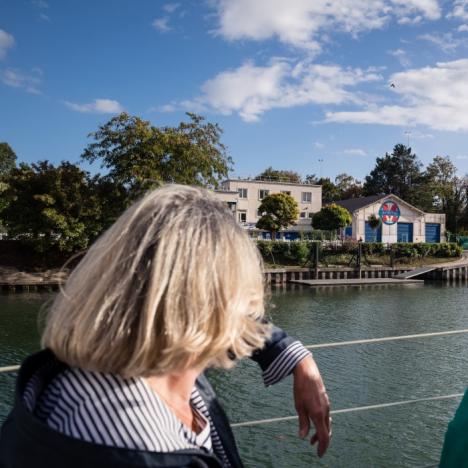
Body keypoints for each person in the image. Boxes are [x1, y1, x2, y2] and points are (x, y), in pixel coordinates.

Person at [0, 185, 330, 467]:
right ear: (206, 308)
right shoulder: (134, 447)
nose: (245, 313)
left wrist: (298, 360)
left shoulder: (142, 360)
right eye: (239, 296)